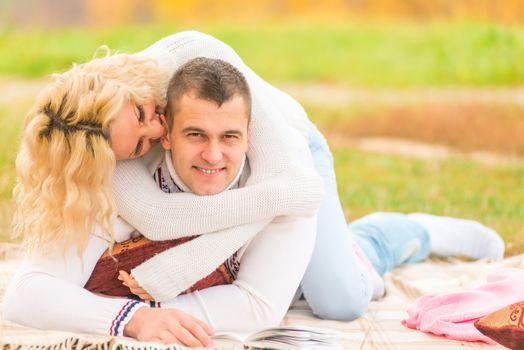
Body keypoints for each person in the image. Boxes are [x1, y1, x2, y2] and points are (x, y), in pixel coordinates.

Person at [3, 31, 505, 347]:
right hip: (251, 195)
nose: (153, 132)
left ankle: (393, 235)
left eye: (141, 116)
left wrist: (170, 282)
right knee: (286, 274)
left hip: (292, 167)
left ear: (116, 84)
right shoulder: (115, 158)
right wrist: (131, 316)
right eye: (136, 146)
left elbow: (292, 195)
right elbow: (28, 293)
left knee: (338, 297)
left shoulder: (190, 61)